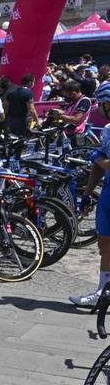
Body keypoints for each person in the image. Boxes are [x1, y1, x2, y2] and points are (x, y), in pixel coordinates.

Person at [71, 82, 110, 306]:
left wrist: (96, 157)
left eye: (102, 105)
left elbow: (101, 161)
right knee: (105, 245)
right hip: (107, 193)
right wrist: (86, 193)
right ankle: (102, 293)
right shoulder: (107, 130)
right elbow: (98, 165)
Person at [4, 74, 39, 139]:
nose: (34, 84)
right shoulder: (28, 93)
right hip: (22, 121)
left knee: (12, 139)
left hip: (11, 120)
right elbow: (31, 109)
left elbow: (5, 106)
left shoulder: (11, 92)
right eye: (33, 81)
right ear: (30, 82)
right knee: (23, 140)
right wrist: (37, 121)